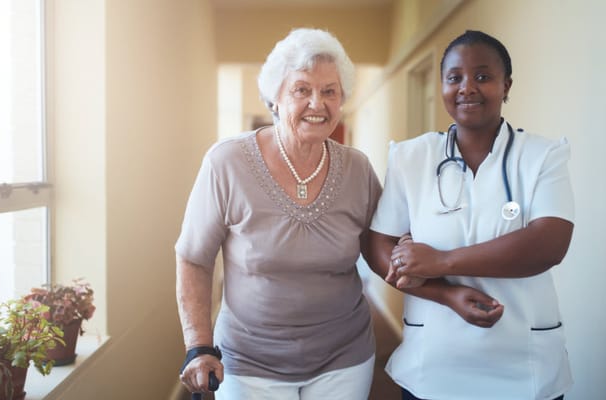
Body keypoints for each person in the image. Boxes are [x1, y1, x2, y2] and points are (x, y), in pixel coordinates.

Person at [363, 30, 576, 400]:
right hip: (433, 367)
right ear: (443, 85)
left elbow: (549, 244)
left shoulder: (543, 156)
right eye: (454, 77)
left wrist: (440, 260)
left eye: (482, 76)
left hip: (524, 369)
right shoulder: (412, 158)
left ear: (506, 85)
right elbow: (376, 243)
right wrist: (445, 294)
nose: (467, 88)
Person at [175, 28, 378, 400]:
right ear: (276, 98)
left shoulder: (358, 169)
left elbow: (379, 245)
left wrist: (428, 264)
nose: (317, 103)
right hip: (248, 360)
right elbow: (194, 258)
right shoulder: (227, 162)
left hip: (343, 356)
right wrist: (198, 345)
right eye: (302, 90)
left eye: (329, 91)